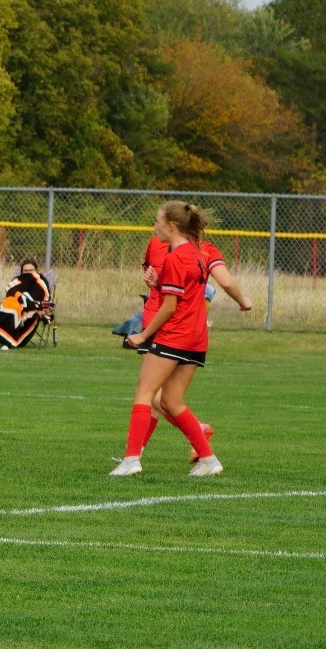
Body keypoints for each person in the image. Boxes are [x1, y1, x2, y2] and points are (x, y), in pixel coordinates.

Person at [111, 201, 252, 478]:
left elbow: (170, 306)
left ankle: (131, 460)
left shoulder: (175, 257)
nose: (155, 226)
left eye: (157, 221)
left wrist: (144, 333)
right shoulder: (200, 254)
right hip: (197, 338)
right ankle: (209, 460)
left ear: (171, 226)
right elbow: (191, 290)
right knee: (172, 402)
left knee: (145, 393)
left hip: (174, 334)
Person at [0, 260, 54, 348]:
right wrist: (20, 298)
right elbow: (10, 291)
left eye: (31, 270)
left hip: (31, 314)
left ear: (36, 271)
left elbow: (42, 298)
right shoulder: (17, 281)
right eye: (25, 271)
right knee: (11, 304)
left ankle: (5, 338)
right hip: (13, 308)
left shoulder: (40, 282)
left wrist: (26, 301)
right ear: (22, 272)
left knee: (12, 307)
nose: (28, 273)